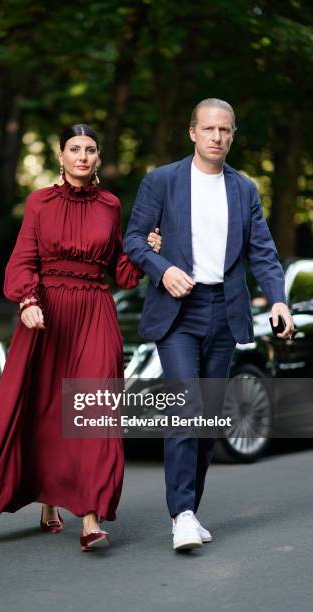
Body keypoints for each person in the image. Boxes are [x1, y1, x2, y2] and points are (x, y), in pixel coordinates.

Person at [0, 124, 161, 552]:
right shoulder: (39, 202)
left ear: (98, 158)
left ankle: (90, 516)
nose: (83, 157)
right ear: (61, 156)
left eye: (90, 150)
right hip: (46, 313)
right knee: (47, 408)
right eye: (75, 149)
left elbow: (121, 271)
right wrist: (27, 301)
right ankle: (49, 496)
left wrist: (147, 251)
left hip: (94, 309)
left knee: (95, 409)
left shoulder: (110, 205)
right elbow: (22, 260)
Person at [124, 98, 294, 552]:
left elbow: (263, 251)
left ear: (232, 136)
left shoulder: (244, 189)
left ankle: (190, 508)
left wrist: (278, 300)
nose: (217, 137)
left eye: (225, 130)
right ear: (192, 132)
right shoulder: (161, 181)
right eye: (209, 129)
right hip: (178, 310)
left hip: (225, 309)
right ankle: (180, 513)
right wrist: (162, 269)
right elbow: (134, 239)